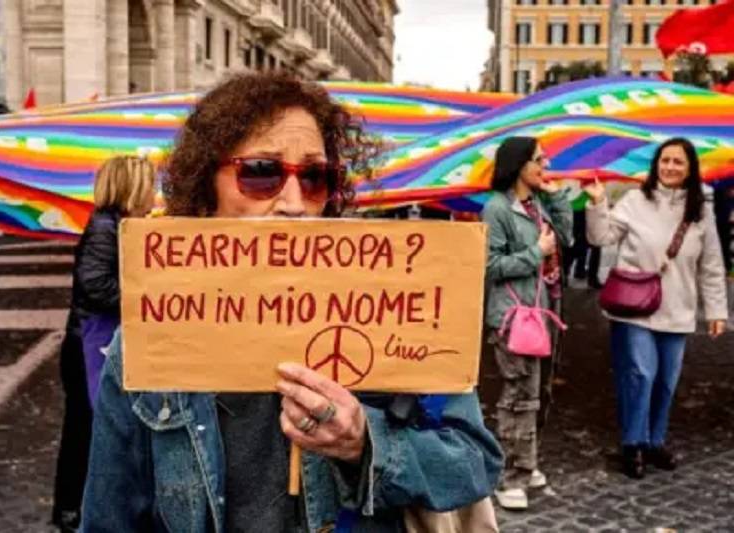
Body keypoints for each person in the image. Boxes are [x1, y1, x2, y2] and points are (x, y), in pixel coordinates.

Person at [80, 72, 503, 532]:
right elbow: (109, 520)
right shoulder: (147, 344)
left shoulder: (394, 310)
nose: (294, 203)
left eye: (315, 177)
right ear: (205, 190)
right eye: (262, 172)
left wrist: (365, 443)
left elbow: (475, 463)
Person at [584, 137, 728, 479]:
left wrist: (717, 310)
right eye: (665, 160)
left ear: (690, 169)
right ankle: (632, 443)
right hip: (634, 307)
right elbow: (600, 237)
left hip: (678, 308)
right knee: (640, 373)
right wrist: (598, 203)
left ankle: (654, 441)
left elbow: (711, 263)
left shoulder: (700, 210)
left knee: (665, 380)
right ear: (655, 164)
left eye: (678, 162)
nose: (670, 167)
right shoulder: (635, 200)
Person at [52, 156, 156, 532]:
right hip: (87, 344)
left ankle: (74, 505)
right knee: (85, 428)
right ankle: (70, 508)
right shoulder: (104, 228)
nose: (154, 193)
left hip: (90, 341)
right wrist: (147, 298)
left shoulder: (117, 225)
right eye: (149, 185)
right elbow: (95, 285)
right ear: (132, 187)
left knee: (91, 425)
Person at [481, 136, 573, 511]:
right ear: (519, 164)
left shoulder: (538, 204)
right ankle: (510, 477)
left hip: (543, 310)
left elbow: (566, 237)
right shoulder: (496, 209)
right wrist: (537, 252)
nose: (545, 165)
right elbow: (490, 266)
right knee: (519, 395)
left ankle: (527, 460)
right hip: (513, 315)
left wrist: (558, 198)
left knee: (538, 392)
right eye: (539, 159)